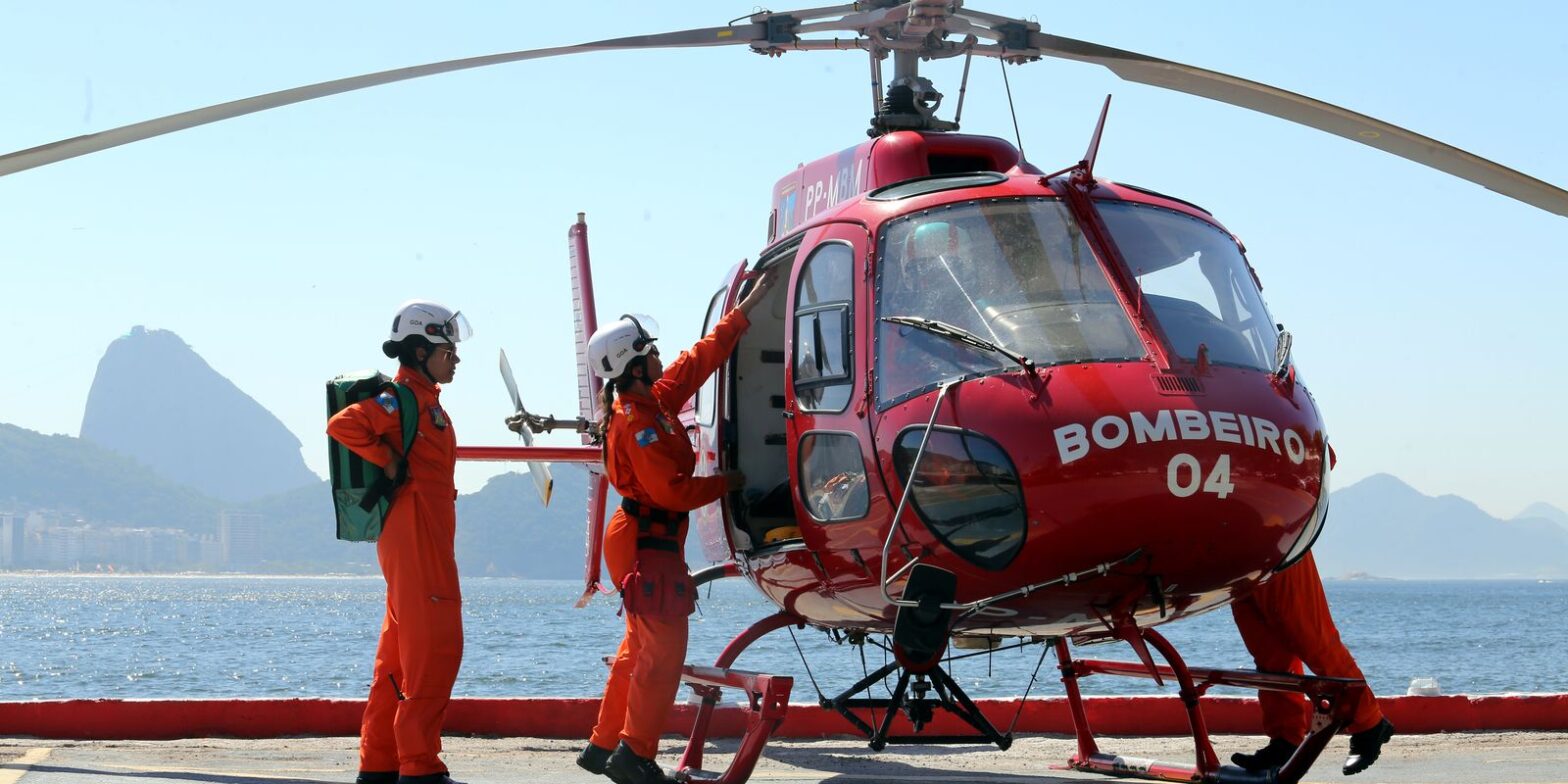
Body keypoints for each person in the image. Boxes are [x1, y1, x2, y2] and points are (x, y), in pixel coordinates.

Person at [550, 267, 777, 784]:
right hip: (648, 543)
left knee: (638, 648)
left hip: (641, 537)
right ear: (632, 365)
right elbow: (671, 491)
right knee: (664, 652)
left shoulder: (649, 403)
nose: (659, 355)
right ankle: (635, 754)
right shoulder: (640, 421)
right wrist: (727, 483)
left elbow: (694, 364)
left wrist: (741, 314)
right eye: (650, 350)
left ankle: (604, 743)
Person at [328, 300, 471, 784]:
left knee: (399, 653)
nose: (455, 358)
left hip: (419, 536)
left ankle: (380, 762)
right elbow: (343, 424)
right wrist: (387, 462)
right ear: (419, 349)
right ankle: (420, 766)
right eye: (446, 350)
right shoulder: (402, 399)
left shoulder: (425, 403)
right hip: (415, 535)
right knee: (435, 648)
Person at [1230, 551, 1395, 776]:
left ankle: (1369, 723)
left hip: (1276, 539)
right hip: (1234, 556)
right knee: (1269, 652)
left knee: (1311, 637)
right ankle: (1285, 740)